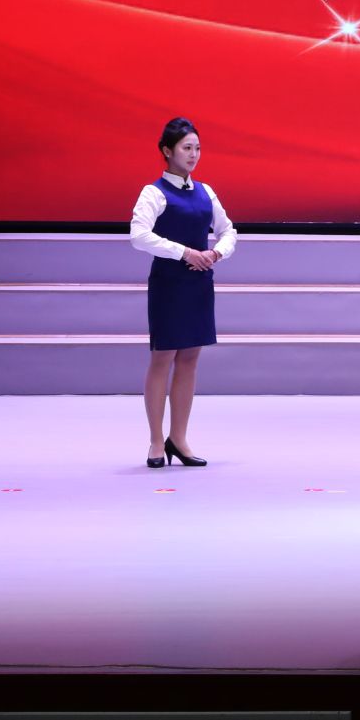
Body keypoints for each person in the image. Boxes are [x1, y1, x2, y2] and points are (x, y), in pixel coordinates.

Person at [130, 117, 236, 469]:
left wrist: (216, 253)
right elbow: (139, 236)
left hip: (199, 283)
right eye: (186, 148)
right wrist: (185, 252)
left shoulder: (206, 192)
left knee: (190, 359)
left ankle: (179, 438)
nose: (194, 155)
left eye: (197, 148)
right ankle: (155, 441)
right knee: (162, 358)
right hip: (169, 283)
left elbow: (228, 230)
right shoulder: (154, 192)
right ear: (167, 151)